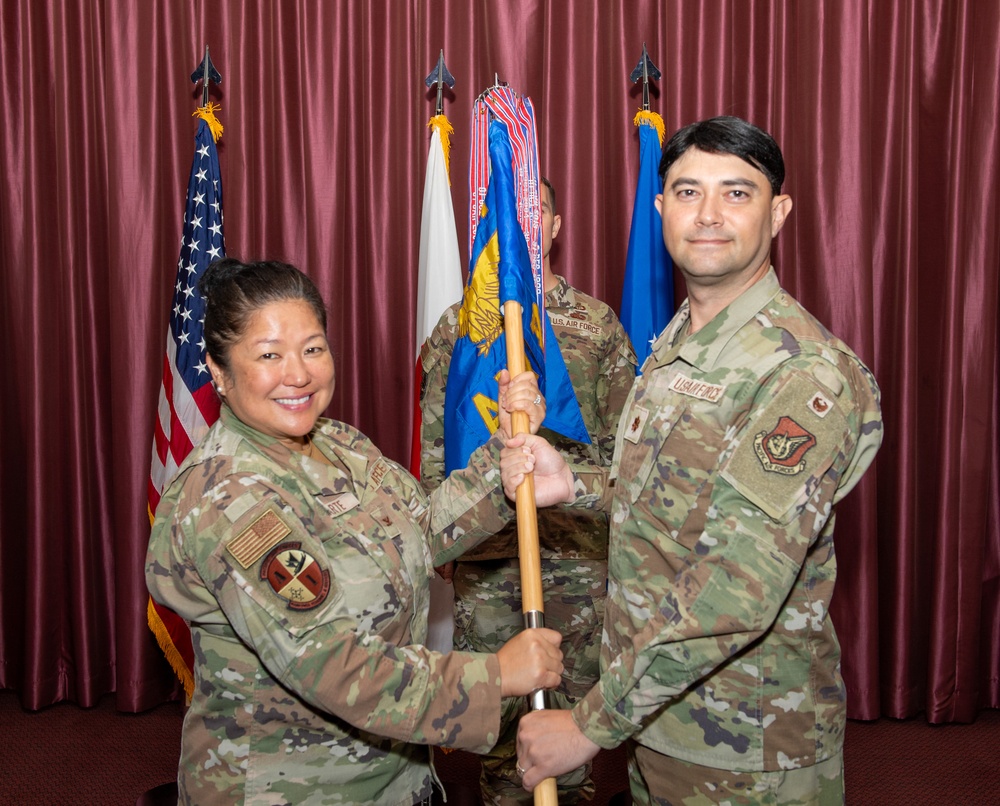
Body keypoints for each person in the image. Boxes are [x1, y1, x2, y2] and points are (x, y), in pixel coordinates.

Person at [505, 117, 884, 804]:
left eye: (737, 194)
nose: (708, 215)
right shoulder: (680, 340)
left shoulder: (802, 374)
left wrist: (591, 724)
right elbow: (678, 495)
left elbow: (735, 583)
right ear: (661, 209)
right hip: (661, 719)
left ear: (779, 213)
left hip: (746, 743)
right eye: (687, 192)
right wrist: (580, 486)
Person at [146, 257, 564, 805]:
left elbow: (422, 530)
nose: (298, 374)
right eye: (269, 355)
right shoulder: (230, 498)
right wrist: (494, 676)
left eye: (313, 348)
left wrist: (502, 467)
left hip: (398, 774)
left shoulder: (340, 444)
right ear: (219, 372)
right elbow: (331, 663)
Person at [420, 177, 637, 804]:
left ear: (556, 225)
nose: (520, 226)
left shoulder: (597, 327)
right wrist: (445, 545)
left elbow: (626, 452)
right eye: (505, 216)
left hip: (574, 556)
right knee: (499, 734)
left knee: (570, 732)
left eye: (533, 211)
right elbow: (440, 444)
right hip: (489, 560)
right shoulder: (460, 330)